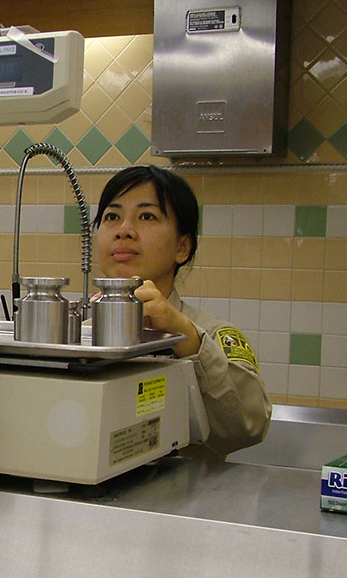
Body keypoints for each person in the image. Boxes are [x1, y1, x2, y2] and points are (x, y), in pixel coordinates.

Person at [91, 165, 270, 455]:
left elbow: (248, 428)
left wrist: (186, 338)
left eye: (146, 216)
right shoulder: (78, 334)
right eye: (112, 216)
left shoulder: (209, 336)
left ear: (182, 247)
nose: (124, 231)